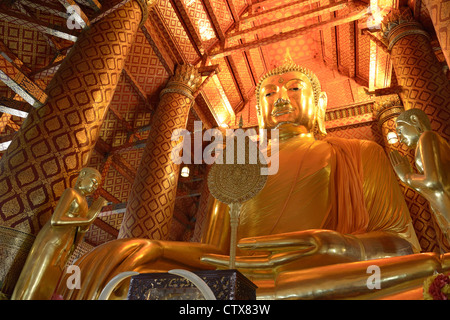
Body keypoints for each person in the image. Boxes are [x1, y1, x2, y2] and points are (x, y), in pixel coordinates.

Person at [56, 58, 448, 300]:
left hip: (328, 274)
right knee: (122, 270)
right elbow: (215, 257)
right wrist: (155, 246)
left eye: (294, 89)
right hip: (237, 282)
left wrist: (332, 245)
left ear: (319, 101)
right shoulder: (237, 167)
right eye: (269, 92)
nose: (280, 98)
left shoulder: (359, 153)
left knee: (431, 268)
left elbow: (400, 245)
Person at [11, 167, 106, 300]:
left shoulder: (84, 203)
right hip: (52, 239)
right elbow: (56, 219)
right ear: (83, 175)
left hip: (65, 245)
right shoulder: (71, 193)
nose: (94, 186)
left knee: (48, 282)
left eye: (97, 185)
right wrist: (86, 219)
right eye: (93, 181)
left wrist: (88, 221)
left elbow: (78, 232)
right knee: (37, 277)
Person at [389, 108, 450, 242]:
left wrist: (406, 176)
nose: (400, 139)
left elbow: (432, 182)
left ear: (414, 120)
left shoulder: (427, 137)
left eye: (400, 131)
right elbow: (434, 189)